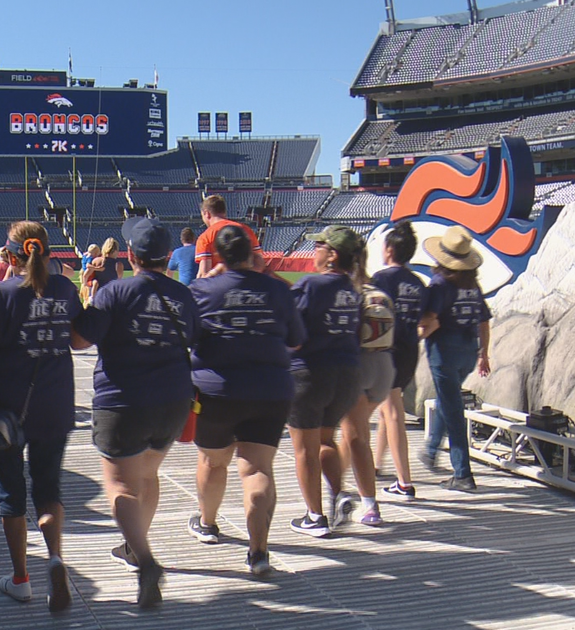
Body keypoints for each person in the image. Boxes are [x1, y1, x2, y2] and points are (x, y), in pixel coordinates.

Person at [71, 217, 198, 608]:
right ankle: (135, 545)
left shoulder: (115, 292)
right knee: (148, 474)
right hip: (173, 401)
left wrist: (85, 293)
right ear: (167, 257)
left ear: (130, 255)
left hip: (124, 401)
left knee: (120, 485)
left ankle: (144, 559)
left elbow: (78, 340)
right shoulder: (184, 296)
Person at [0, 221, 83, 613]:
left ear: (11, 256)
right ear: (47, 252)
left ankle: (21, 579)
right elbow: (79, 338)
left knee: (10, 496)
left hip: (6, 408)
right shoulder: (65, 288)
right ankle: (53, 559)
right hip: (54, 404)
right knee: (49, 490)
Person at [187, 225, 305, 574]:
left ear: (219, 255)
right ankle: (258, 551)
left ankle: (207, 524)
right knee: (257, 468)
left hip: (216, 390)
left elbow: (188, 337)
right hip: (270, 389)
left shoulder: (201, 289)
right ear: (253, 253)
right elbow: (296, 340)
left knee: (213, 461)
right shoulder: (277, 290)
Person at [287, 225, 363, 538]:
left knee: (304, 449)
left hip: (309, 374)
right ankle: (340, 494)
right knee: (325, 440)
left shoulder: (311, 285)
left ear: (331, 254)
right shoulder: (352, 289)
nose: (313, 251)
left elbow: (293, 335)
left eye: (318, 245)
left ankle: (315, 516)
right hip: (346, 374)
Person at [419, 226, 492, 492]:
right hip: (468, 352)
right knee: (447, 399)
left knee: (453, 410)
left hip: (444, 352)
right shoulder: (473, 286)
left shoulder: (439, 285)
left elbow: (431, 321)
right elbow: (484, 320)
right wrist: (484, 353)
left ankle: (462, 473)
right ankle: (430, 449)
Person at [334, 263, 396, 526]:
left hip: (358, 365)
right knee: (351, 435)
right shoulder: (378, 293)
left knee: (356, 437)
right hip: (384, 366)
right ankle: (335, 491)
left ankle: (367, 504)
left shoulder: (347, 295)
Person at [371, 222, 427, 500]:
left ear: (390, 249)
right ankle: (377, 465)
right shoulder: (417, 282)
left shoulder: (381, 280)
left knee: (393, 412)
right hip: (409, 352)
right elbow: (428, 320)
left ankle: (404, 482)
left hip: (387, 351)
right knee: (386, 410)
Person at [194, 195, 265, 278]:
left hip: (220, 288)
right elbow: (259, 264)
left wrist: (218, 271)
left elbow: (203, 275)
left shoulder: (205, 237)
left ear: (207, 214)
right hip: (248, 285)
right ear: (224, 211)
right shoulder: (245, 230)